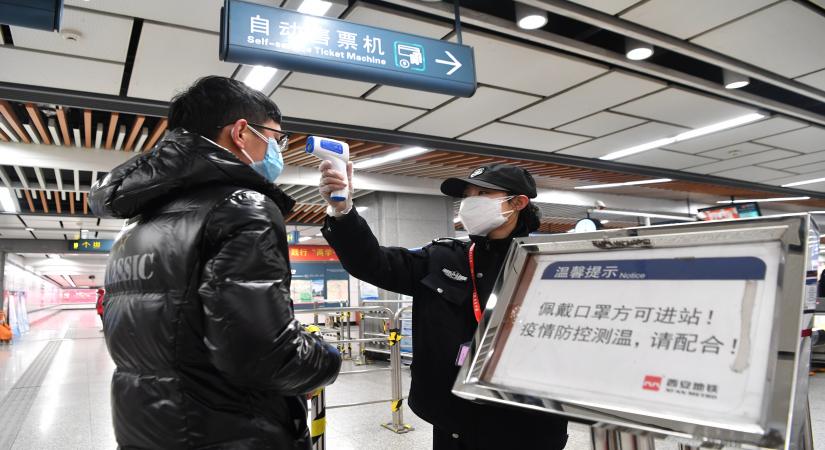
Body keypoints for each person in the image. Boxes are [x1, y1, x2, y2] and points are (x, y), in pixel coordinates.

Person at [89, 76, 341, 449]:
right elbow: (263, 355)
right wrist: (325, 357)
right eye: (275, 137)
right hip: (229, 430)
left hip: (147, 426)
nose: (278, 150)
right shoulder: (241, 206)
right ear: (241, 133)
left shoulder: (137, 222)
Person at [318, 162, 568, 449]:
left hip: (527, 424)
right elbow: (373, 263)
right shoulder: (443, 258)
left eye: (483, 193)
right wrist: (343, 212)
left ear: (518, 202)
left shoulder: (552, 265)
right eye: (467, 195)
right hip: (455, 418)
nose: (470, 202)